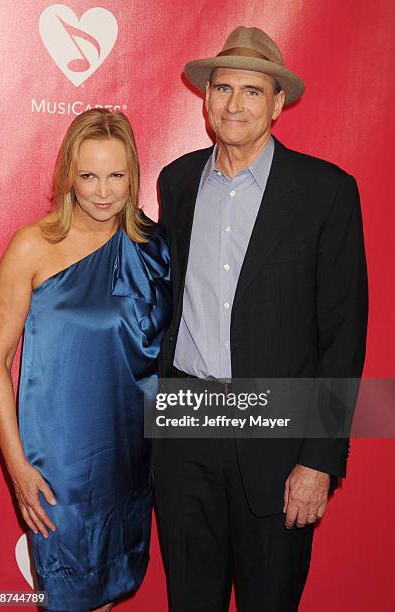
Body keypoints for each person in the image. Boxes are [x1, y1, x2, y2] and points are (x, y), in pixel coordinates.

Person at [154, 26, 368, 611]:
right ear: (206, 99)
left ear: (277, 104)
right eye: (224, 88)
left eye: (253, 91)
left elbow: (343, 338)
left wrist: (319, 459)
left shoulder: (327, 193)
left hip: (279, 438)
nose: (235, 104)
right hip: (186, 428)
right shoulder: (176, 182)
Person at [0, 108, 171, 612]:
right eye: (88, 175)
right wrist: (18, 466)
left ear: (133, 173)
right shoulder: (33, 246)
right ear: (69, 174)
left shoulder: (154, 248)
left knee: (109, 594)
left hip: (131, 460)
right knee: (68, 596)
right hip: (59, 466)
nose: (103, 191)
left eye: (116, 175)